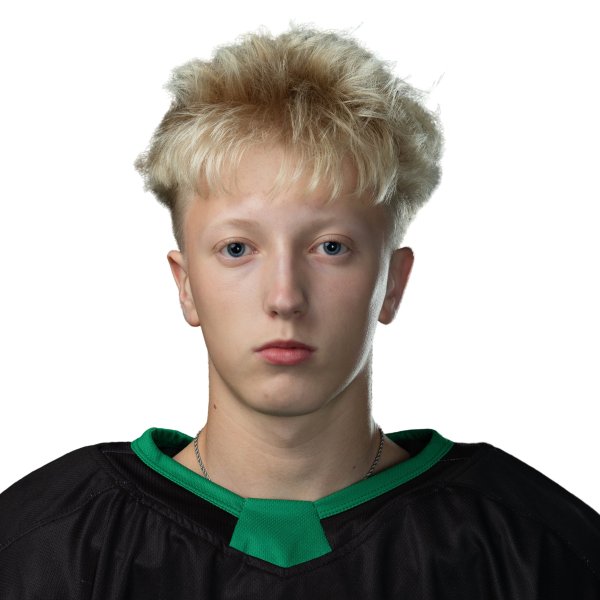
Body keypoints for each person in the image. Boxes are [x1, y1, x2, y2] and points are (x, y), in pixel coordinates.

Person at [1, 26, 599, 599]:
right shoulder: (43, 547)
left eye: (330, 248)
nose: (285, 297)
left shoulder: (540, 550)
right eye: (238, 249)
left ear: (393, 282)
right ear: (186, 286)